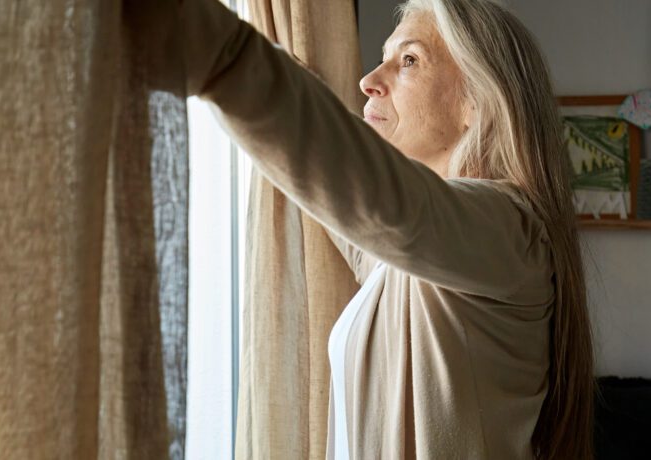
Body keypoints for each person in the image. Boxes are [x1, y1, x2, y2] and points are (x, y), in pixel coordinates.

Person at [184, 0, 595, 458]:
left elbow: (368, 192)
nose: (367, 81)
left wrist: (221, 53)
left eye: (409, 60)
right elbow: (343, 190)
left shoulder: (507, 229)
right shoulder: (411, 258)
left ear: (475, 104)